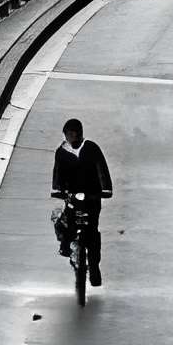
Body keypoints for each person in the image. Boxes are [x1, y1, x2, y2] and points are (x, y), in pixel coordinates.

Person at [51, 118, 113, 284]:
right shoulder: (62, 152)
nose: (70, 137)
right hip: (72, 195)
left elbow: (102, 169)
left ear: (79, 133)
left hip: (92, 196)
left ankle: (94, 267)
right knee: (68, 222)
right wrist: (58, 190)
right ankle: (65, 244)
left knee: (92, 231)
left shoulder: (91, 148)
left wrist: (105, 189)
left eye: (72, 133)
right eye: (67, 134)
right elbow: (58, 173)